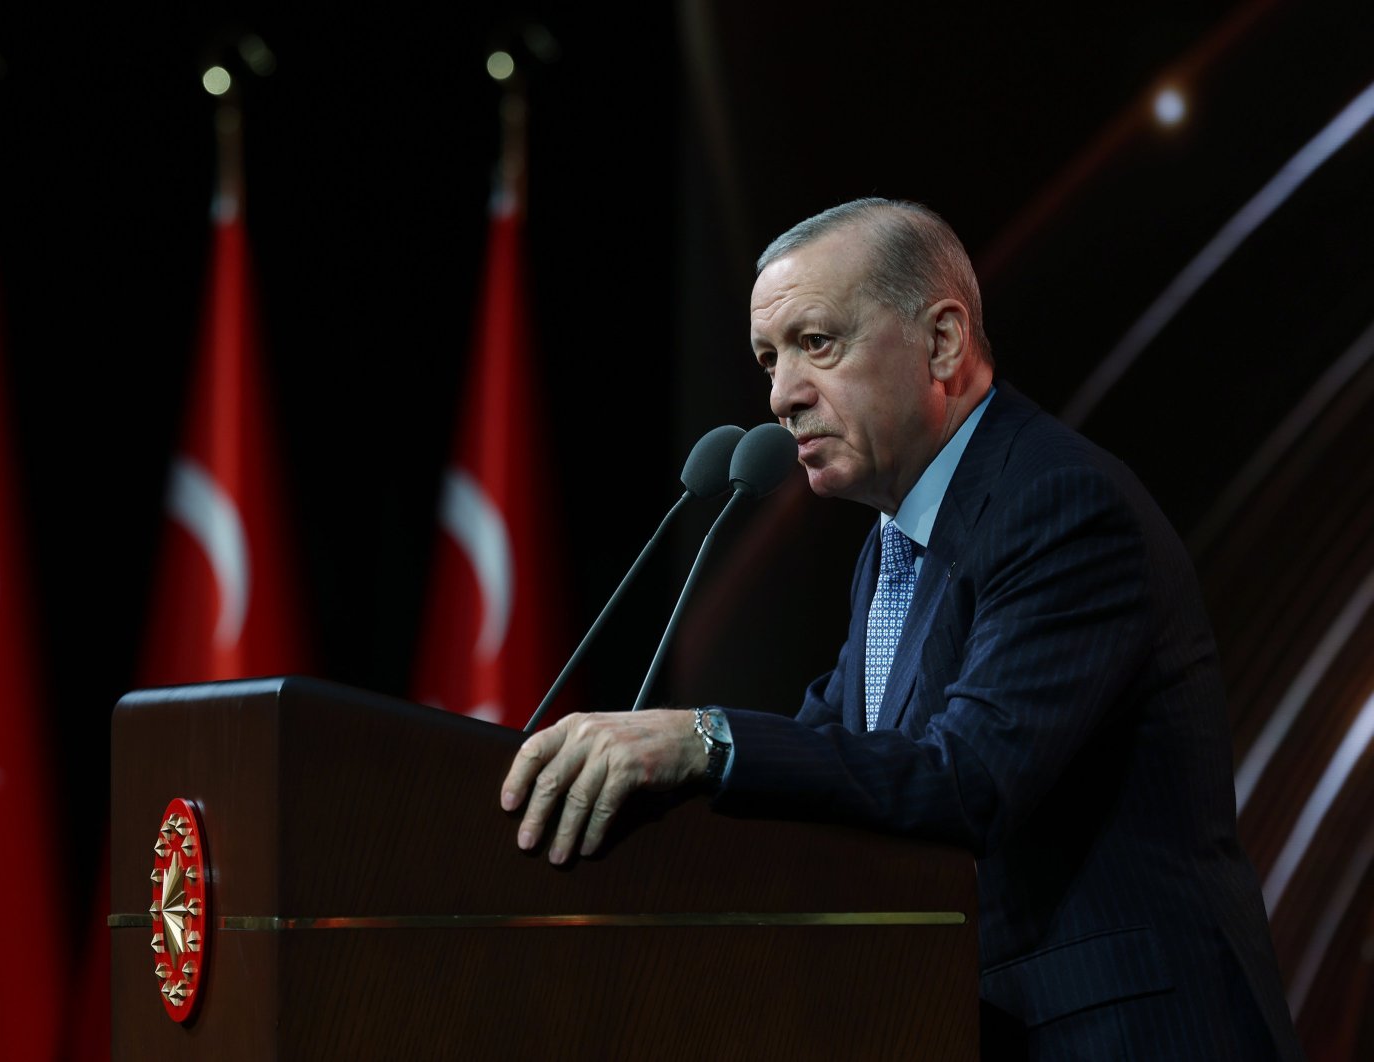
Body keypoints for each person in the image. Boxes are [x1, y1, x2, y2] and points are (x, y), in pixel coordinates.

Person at [499, 198, 1301, 1059]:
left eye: (817, 343)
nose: (781, 396)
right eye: (769, 359)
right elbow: (838, 752)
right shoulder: (894, 548)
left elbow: (968, 777)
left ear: (943, 343)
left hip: (1130, 1034)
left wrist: (703, 739)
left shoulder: (1061, 506)